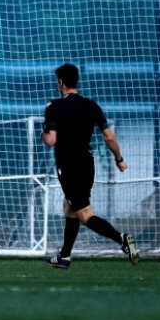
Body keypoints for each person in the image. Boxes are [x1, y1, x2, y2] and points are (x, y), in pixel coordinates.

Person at [42, 63, 138, 269]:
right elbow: (109, 136)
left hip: (68, 166)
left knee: (85, 214)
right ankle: (64, 257)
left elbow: (50, 140)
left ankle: (121, 239)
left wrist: (44, 133)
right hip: (87, 164)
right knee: (69, 207)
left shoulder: (54, 107)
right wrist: (119, 159)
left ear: (60, 82)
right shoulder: (91, 105)